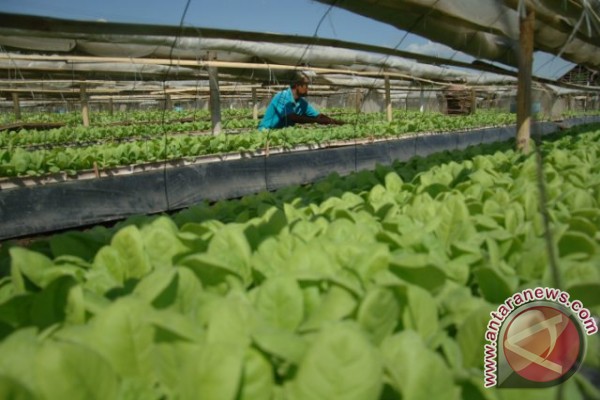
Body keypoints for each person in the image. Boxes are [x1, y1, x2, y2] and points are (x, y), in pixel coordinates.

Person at [258, 73, 344, 130]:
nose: (307, 88)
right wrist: (317, 121)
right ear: (297, 85)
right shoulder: (282, 96)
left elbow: (318, 116)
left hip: (281, 133)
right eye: (306, 85)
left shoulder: (302, 103)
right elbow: (292, 117)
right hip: (266, 132)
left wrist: (335, 122)